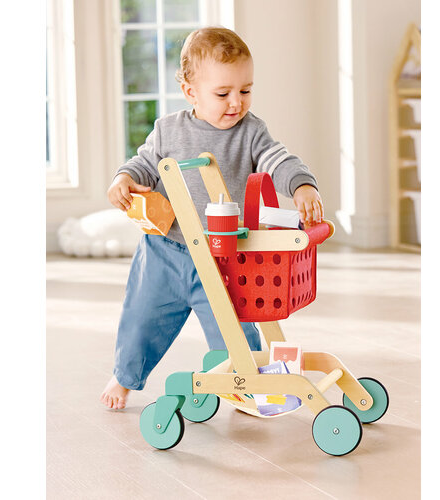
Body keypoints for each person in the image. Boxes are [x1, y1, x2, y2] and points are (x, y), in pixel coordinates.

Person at [100, 27, 324, 409]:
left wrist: (301, 185)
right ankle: (124, 377)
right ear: (190, 91)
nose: (236, 102)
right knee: (141, 320)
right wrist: (124, 178)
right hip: (165, 251)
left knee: (234, 330)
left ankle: (246, 384)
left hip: (224, 258)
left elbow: (277, 158)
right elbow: (144, 164)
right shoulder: (168, 129)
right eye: (223, 94)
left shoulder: (251, 132)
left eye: (246, 90)